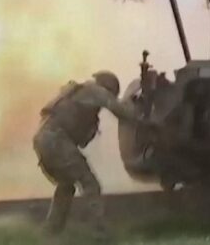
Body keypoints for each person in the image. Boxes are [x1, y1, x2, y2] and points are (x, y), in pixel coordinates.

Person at [33, 70, 144, 235]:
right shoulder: (95, 91)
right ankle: (100, 232)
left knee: (66, 185)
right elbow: (121, 111)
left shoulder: (80, 92)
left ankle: (50, 231)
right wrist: (139, 111)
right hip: (56, 139)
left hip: (43, 139)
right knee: (90, 184)